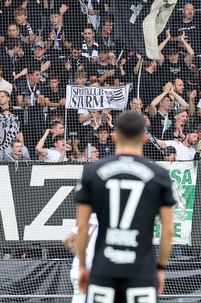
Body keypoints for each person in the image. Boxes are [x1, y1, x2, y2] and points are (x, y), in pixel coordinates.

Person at [74, 110, 176, 302]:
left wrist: (83, 267)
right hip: (141, 271)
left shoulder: (93, 172)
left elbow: (82, 226)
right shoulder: (159, 175)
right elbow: (168, 230)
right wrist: (161, 268)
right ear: (145, 139)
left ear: (114, 136)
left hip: (103, 269)